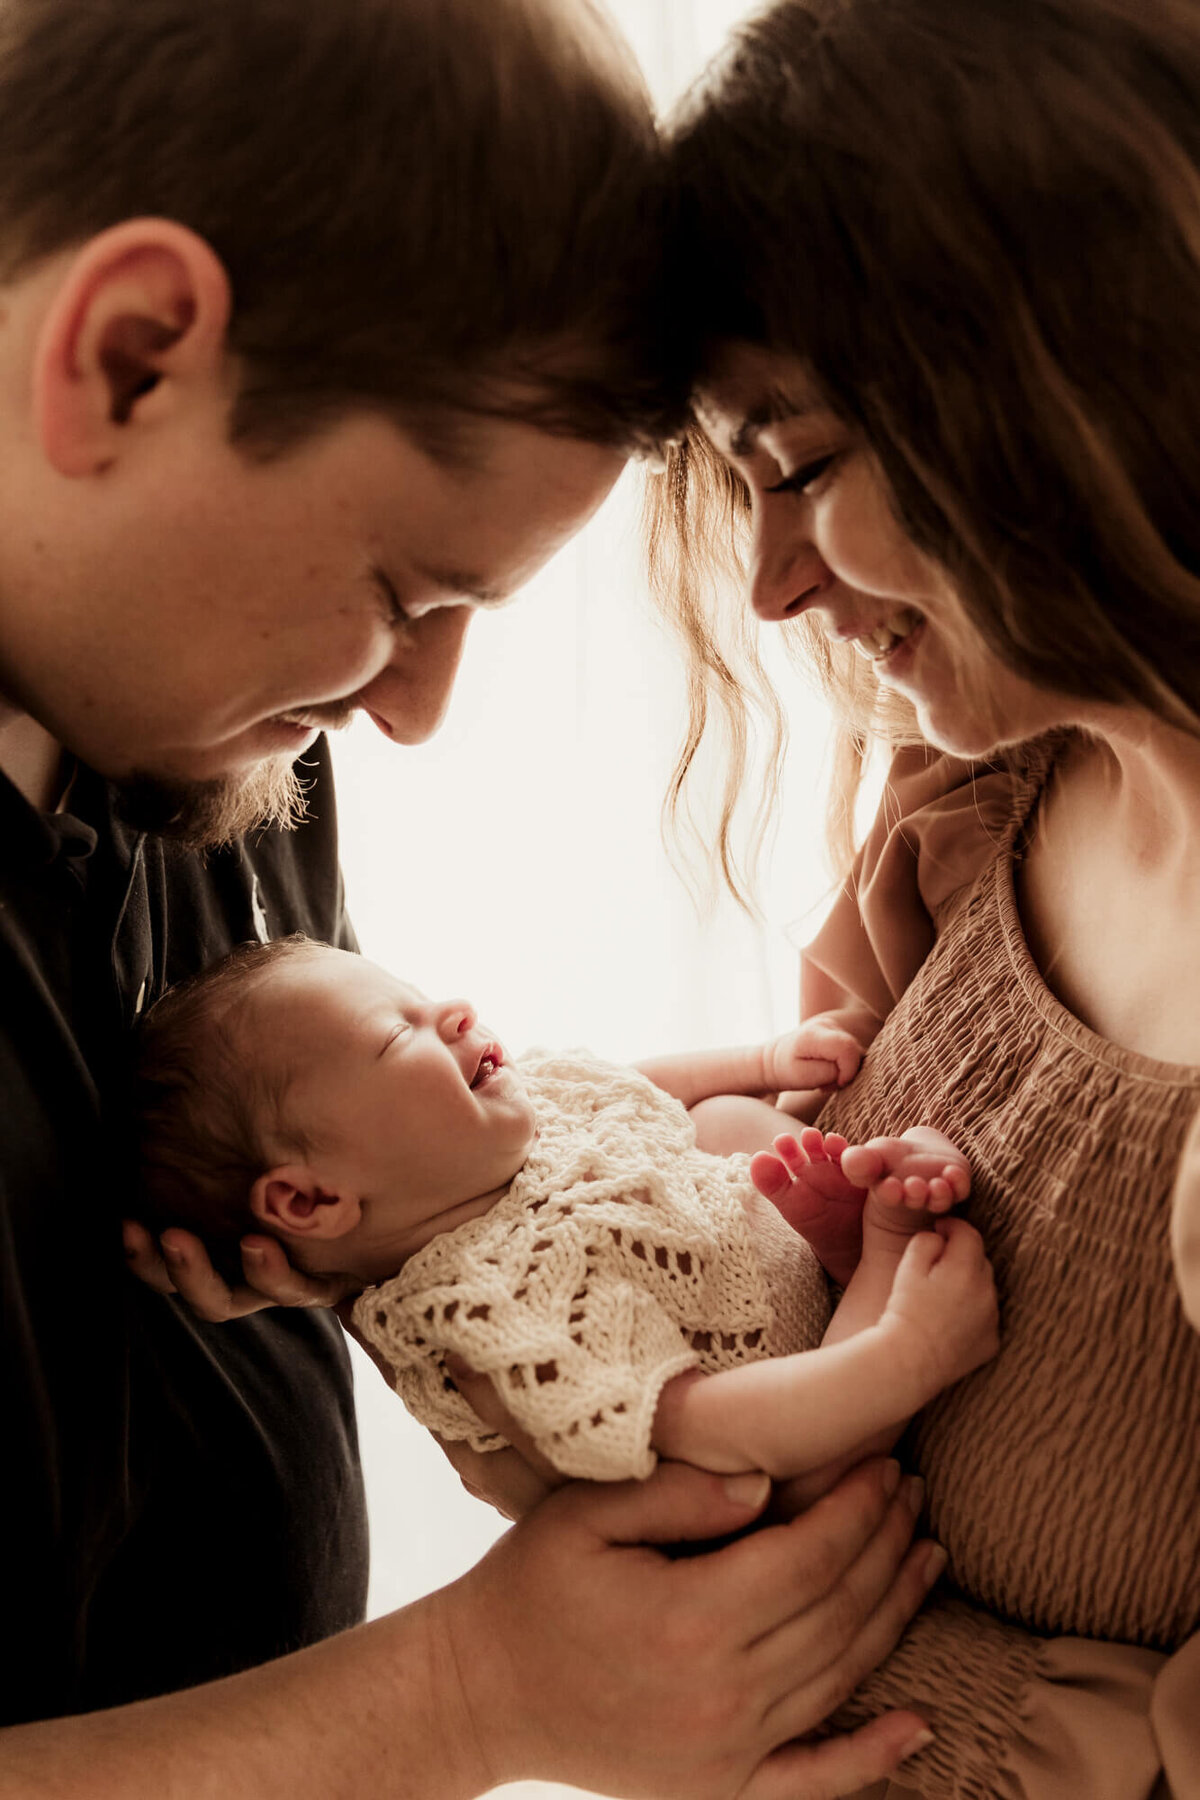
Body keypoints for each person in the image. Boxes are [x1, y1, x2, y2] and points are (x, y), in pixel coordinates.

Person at [0, 0, 946, 1794]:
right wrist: (465, 1699)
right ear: (129, 357)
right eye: (406, 589)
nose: (413, 710)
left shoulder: (206, 730)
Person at [651, 0, 1200, 1793]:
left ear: (1053, 363)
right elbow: (749, 1279)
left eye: (797, 469)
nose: (774, 587)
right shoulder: (962, 815)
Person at [128, 934, 997, 1486]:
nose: (453, 1011)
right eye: (401, 1034)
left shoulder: (509, 1123)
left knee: (722, 1122)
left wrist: (763, 1058)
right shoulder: (482, 1312)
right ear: (311, 1198)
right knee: (771, 1485)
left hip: (737, 1260)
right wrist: (905, 1358)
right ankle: (882, 1281)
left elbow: (632, 1086)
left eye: (422, 997)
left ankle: (834, 1242)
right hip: (776, 1410)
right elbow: (695, 1425)